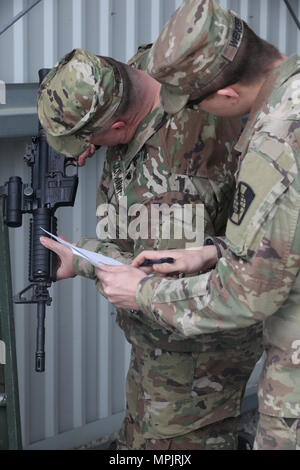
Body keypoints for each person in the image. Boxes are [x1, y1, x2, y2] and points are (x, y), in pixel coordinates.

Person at [95, 0, 300, 450]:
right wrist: (215, 251)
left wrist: (142, 292)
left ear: (226, 97)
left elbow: (248, 296)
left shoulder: (278, 140)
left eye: (191, 104)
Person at [38, 46, 262, 450]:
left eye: (100, 138)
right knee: (138, 438)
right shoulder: (151, 69)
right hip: (159, 354)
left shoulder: (175, 180)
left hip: (193, 360)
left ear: (121, 123)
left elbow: (162, 286)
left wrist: (82, 257)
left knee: (172, 447)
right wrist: (96, 135)